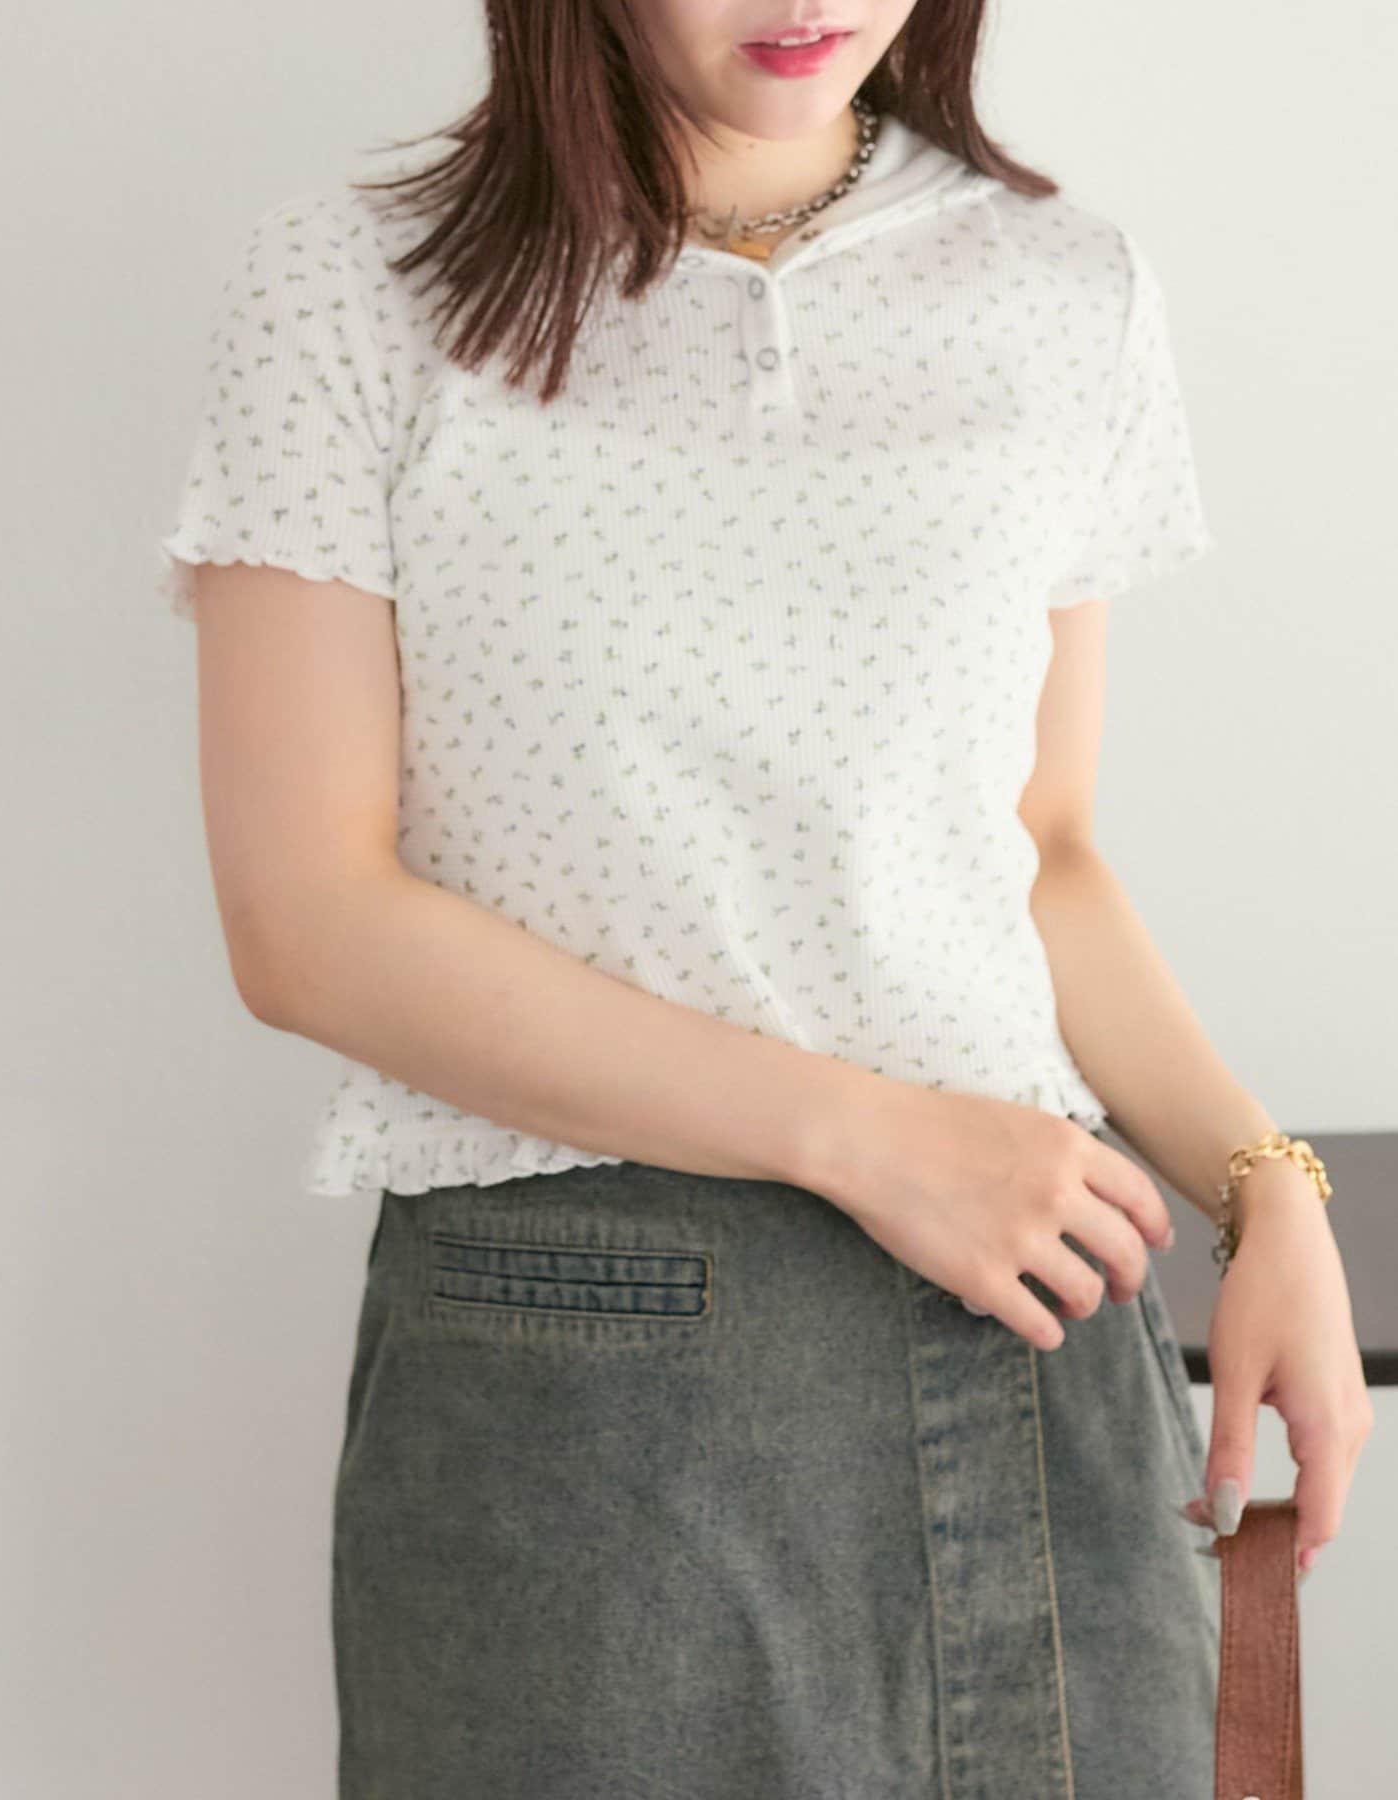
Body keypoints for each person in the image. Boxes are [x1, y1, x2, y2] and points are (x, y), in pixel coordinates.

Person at [156, 3, 1372, 1795]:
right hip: (585, 1368)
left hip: (1033, 1320)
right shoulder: (354, 286)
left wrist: (1267, 1194)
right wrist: (867, 1141)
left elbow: (1040, 847)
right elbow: (309, 922)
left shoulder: (1060, 288)